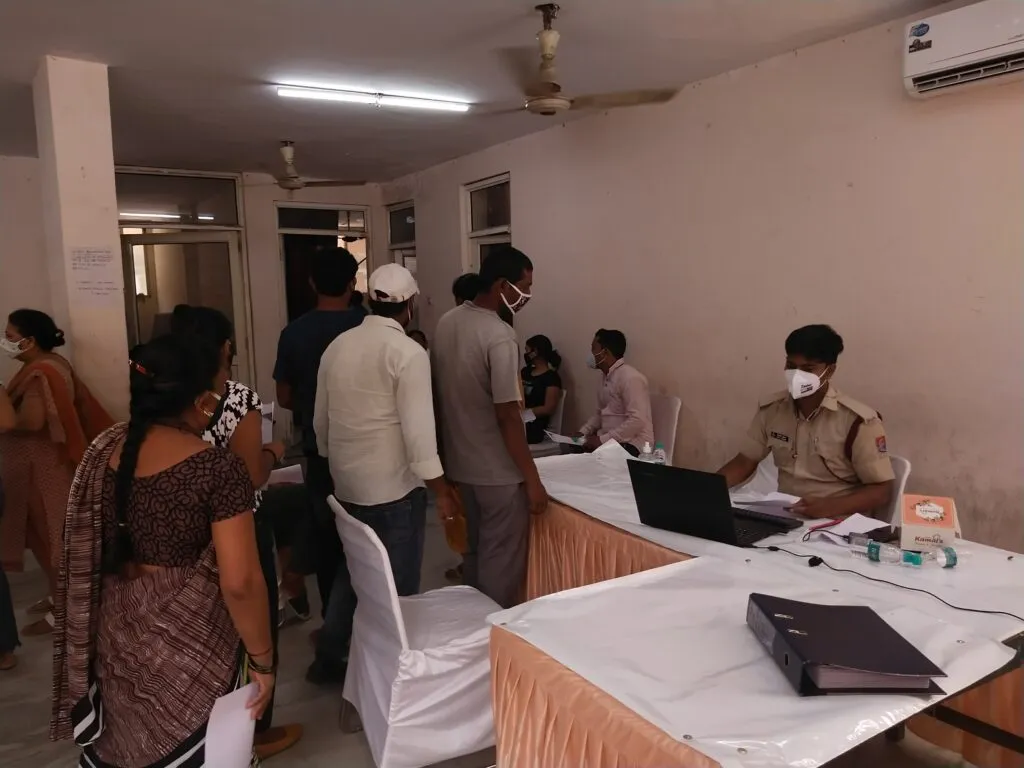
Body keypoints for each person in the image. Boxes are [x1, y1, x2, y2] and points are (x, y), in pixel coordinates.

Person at [51, 335, 273, 767]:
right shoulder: (216, 468)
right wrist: (263, 661)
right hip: (193, 652)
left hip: (118, 638)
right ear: (202, 400)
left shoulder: (105, 451)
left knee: (130, 744)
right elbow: (241, 582)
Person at [310, 264, 457, 683]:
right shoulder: (408, 353)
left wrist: (336, 462)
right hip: (393, 490)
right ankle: (392, 675)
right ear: (410, 305)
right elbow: (419, 434)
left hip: (347, 485)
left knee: (355, 571)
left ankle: (329, 658)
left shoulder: (338, 346)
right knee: (397, 588)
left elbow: (321, 421)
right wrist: (441, 490)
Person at [170, 305, 301, 759]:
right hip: (238, 525)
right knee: (252, 626)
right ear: (225, 347)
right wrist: (273, 450)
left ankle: (205, 730)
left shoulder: (166, 397)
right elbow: (252, 477)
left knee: (206, 631)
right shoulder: (235, 398)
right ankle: (252, 733)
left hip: (185, 531)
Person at [432, 245, 547, 608]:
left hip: (460, 467)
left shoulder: (447, 323)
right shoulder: (500, 335)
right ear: (501, 285)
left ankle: (472, 630)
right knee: (500, 566)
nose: (527, 296)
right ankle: (490, 635)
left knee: (474, 556)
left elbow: (438, 396)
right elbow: (508, 415)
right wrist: (532, 479)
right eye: (524, 287)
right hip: (497, 475)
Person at [0, 309, 112, 636]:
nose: (5, 341)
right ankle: (58, 598)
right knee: (50, 540)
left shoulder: (41, 373)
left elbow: (33, 421)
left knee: (52, 544)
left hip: (42, 470)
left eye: (9, 335)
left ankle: (65, 612)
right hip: (42, 468)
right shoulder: (51, 363)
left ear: (29, 341)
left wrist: (4, 410)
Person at [718, 325, 894, 519]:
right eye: (791, 366)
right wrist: (705, 490)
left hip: (836, 522)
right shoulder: (772, 410)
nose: (796, 375)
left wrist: (831, 507)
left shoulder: (858, 421)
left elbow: (881, 490)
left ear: (829, 371)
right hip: (784, 517)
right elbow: (744, 463)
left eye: (808, 369)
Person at [273, 248, 364, 614]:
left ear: (312, 283)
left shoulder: (294, 333)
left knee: (328, 536)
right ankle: (368, 620)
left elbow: (284, 396)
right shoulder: (368, 327)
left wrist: (315, 406)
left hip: (320, 449)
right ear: (352, 283)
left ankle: (332, 620)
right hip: (370, 449)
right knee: (369, 539)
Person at [577, 329, 654, 457]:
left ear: (605, 352)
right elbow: (600, 414)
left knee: (588, 459)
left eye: (593, 349)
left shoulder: (631, 378)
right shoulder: (604, 378)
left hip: (633, 444)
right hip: (609, 441)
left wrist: (602, 440)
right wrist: (583, 432)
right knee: (573, 450)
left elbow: (637, 420)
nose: (591, 354)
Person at [521, 335, 563, 444]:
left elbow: (548, 408)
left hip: (534, 425)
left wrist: (524, 414)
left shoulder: (551, 378)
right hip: (519, 420)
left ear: (535, 352)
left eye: (527, 350)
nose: (525, 354)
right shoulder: (525, 372)